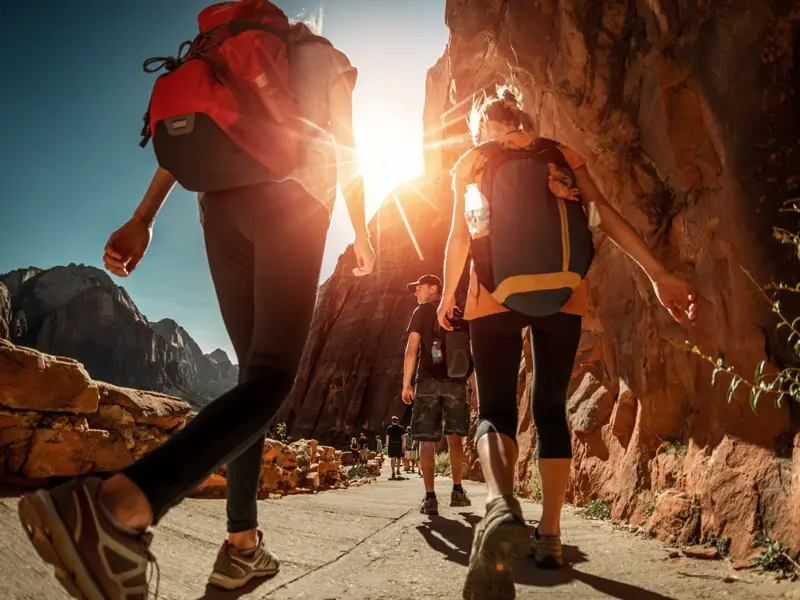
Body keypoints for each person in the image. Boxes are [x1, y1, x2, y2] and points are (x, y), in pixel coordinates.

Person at [17, 9, 376, 599]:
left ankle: (241, 545)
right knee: (273, 379)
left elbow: (185, 143)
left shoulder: (220, 44)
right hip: (292, 202)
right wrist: (362, 234)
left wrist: (142, 218)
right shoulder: (318, 52)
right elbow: (348, 148)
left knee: (249, 384)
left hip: (218, 208)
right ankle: (116, 507)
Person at [439, 84, 697, 598]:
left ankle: (499, 505)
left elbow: (462, 234)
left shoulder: (473, 160)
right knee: (551, 407)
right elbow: (604, 216)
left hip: (492, 293)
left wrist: (449, 296)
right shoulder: (560, 154)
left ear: (482, 125)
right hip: (563, 292)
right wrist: (657, 274)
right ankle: (551, 535)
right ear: (522, 116)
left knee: (494, 408)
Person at [402, 274, 472, 515]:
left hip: (428, 381)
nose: (416, 293)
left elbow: (412, 351)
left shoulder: (421, 313)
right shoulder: (460, 312)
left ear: (434, 288)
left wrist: (406, 384)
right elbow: (470, 352)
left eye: (419, 288)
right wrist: (473, 387)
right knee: (455, 437)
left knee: (427, 440)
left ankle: (430, 497)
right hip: (456, 382)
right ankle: (458, 491)